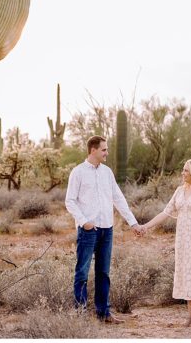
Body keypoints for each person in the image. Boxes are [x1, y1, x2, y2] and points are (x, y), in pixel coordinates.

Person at [64, 135, 141, 323]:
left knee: (103, 273)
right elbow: (70, 201)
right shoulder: (78, 172)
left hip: (107, 229)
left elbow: (118, 198)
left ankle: (103, 313)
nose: (107, 152)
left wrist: (133, 222)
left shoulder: (107, 172)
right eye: (104, 149)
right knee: (82, 272)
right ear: (93, 150)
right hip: (88, 231)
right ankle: (80, 316)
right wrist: (84, 222)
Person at [137, 159, 191, 324]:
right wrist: (145, 226)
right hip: (183, 239)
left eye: (186, 171)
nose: (183, 174)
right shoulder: (179, 191)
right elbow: (166, 213)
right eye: (183, 170)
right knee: (186, 273)